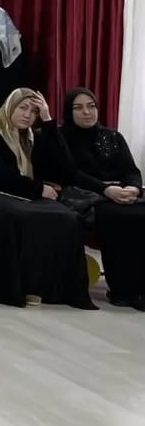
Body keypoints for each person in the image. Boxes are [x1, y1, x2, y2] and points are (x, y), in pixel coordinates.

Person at [0, 88, 96, 309]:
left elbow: (64, 168)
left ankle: (52, 289)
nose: (27, 115)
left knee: (66, 217)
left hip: (27, 195)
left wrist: (48, 121)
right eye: (23, 108)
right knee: (20, 216)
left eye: (34, 112)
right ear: (10, 107)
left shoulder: (33, 138)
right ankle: (20, 287)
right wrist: (38, 189)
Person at [61, 88, 145, 309]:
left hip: (119, 193)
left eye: (91, 106)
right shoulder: (61, 138)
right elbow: (70, 174)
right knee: (118, 217)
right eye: (78, 108)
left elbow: (130, 170)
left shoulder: (113, 137)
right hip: (84, 195)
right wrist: (105, 190)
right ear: (68, 112)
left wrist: (133, 188)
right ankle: (123, 291)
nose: (87, 112)